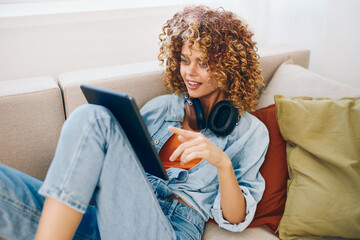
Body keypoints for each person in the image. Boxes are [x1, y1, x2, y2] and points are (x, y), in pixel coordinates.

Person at [0, 5, 268, 240]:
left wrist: (221, 163)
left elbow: (234, 219)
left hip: (173, 228)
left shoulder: (251, 132)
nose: (189, 72)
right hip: (115, 218)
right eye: (185, 61)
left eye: (203, 63)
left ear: (229, 66)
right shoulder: (163, 107)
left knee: (93, 118)